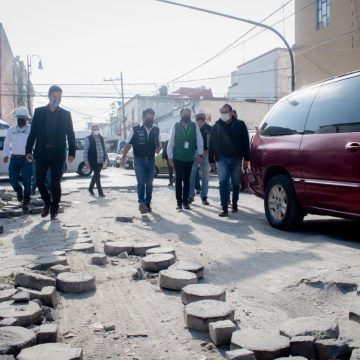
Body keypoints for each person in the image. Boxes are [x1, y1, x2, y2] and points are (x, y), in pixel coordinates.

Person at [25, 85, 76, 220]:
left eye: (59, 97)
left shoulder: (65, 114)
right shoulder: (39, 112)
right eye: (55, 97)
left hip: (57, 153)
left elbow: (71, 134)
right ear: (49, 96)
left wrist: (72, 152)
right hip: (42, 152)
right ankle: (47, 202)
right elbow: (33, 133)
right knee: (39, 181)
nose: (57, 99)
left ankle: (54, 209)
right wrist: (28, 150)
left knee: (55, 183)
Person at [208, 104, 250, 217]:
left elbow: (246, 142)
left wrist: (247, 159)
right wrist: (211, 160)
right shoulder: (216, 126)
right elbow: (211, 144)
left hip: (236, 159)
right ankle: (224, 208)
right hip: (222, 159)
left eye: (225, 112)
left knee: (236, 183)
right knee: (223, 182)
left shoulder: (240, 125)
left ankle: (235, 203)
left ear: (231, 113)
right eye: (222, 112)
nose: (223, 114)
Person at [121, 108, 160, 214]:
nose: (150, 120)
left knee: (150, 184)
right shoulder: (135, 129)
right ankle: (141, 203)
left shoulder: (156, 130)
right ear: (143, 117)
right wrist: (123, 157)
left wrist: (158, 148)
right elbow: (128, 144)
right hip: (139, 160)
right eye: (148, 118)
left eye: (152, 118)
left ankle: (147, 203)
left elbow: (158, 146)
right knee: (141, 182)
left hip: (151, 160)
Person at [167, 108, 203, 211]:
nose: (186, 115)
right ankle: (179, 202)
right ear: (181, 114)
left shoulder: (194, 126)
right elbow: (171, 141)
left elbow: (200, 140)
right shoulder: (176, 126)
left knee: (187, 180)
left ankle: (185, 202)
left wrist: (200, 154)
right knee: (179, 179)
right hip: (178, 157)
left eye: (188, 113)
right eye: (184, 113)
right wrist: (170, 156)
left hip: (190, 157)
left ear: (190, 114)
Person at [3, 107, 32, 212]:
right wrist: (7, 155)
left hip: (26, 159)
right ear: (16, 119)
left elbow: (36, 143)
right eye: (19, 118)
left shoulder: (31, 129)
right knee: (12, 179)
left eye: (22, 118)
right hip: (14, 158)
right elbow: (6, 144)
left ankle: (26, 201)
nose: (20, 120)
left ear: (26, 119)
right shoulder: (11, 130)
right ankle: (19, 190)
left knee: (27, 181)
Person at [188, 109, 212, 205]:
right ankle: (190, 196)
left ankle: (204, 197)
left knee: (205, 177)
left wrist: (203, 154)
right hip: (194, 154)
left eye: (201, 116)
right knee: (191, 176)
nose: (199, 119)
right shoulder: (192, 128)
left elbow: (211, 144)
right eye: (198, 117)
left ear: (204, 117)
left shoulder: (210, 129)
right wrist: (197, 154)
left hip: (206, 155)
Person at [83, 124, 108, 197]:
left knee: (96, 175)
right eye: (94, 129)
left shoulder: (101, 138)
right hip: (93, 160)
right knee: (97, 175)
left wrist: (106, 158)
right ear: (92, 130)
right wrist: (86, 162)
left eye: (97, 129)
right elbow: (85, 151)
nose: (96, 130)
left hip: (101, 160)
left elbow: (104, 148)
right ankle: (100, 192)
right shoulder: (88, 138)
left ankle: (90, 188)